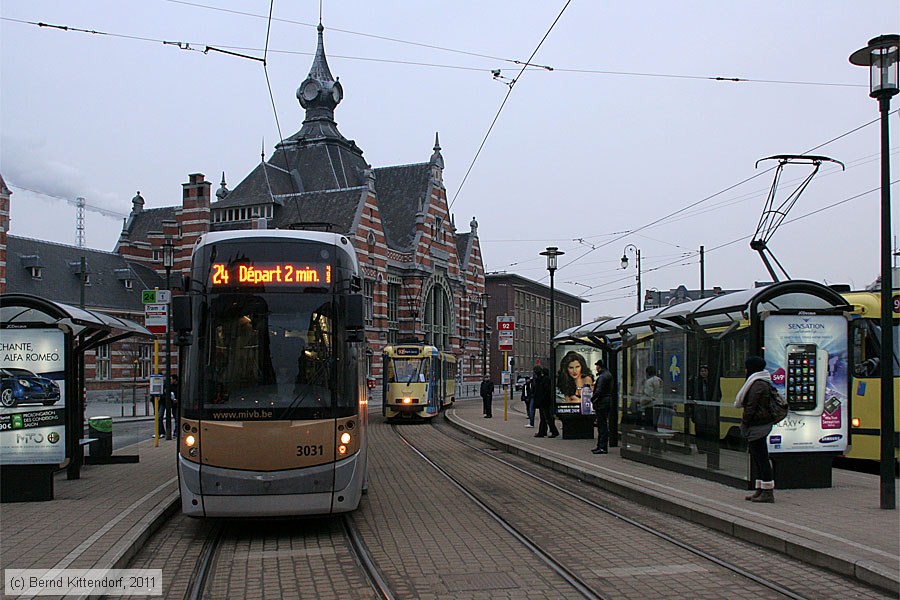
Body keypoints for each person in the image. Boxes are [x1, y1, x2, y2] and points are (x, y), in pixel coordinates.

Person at [734, 355, 776, 503]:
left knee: (762, 458)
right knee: (758, 458)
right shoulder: (760, 382)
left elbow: (751, 407)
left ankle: (767, 491)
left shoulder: (758, 384)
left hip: (758, 424)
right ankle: (760, 489)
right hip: (759, 424)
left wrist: (744, 423)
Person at [688, 364, 721, 469]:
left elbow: (718, 394)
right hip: (699, 408)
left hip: (710, 408)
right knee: (699, 427)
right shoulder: (696, 382)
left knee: (709, 427)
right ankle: (701, 447)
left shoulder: (712, 383)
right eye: (702, 371)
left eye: (705, 371)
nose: (703, 373)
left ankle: (708, 447)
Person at [590, 359, 613, 454]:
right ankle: (600, 446)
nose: (596, 368)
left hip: (602, 403)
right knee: (602, 424)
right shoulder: (608, 375)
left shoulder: (603, 377)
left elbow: (598, 391)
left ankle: (602, 447)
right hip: (606, 402)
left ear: (600, 366)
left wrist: (593, 399)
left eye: (597, 366)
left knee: (602, 425)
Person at [533, 366, 559, 438]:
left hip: (545, 401)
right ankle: (543, 432)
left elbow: (544, 391)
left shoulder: (544, 380)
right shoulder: (543, 379)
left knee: (547, 417)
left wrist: (541, 399)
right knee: (544, 417)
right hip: (544, 401)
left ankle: (553, 431)